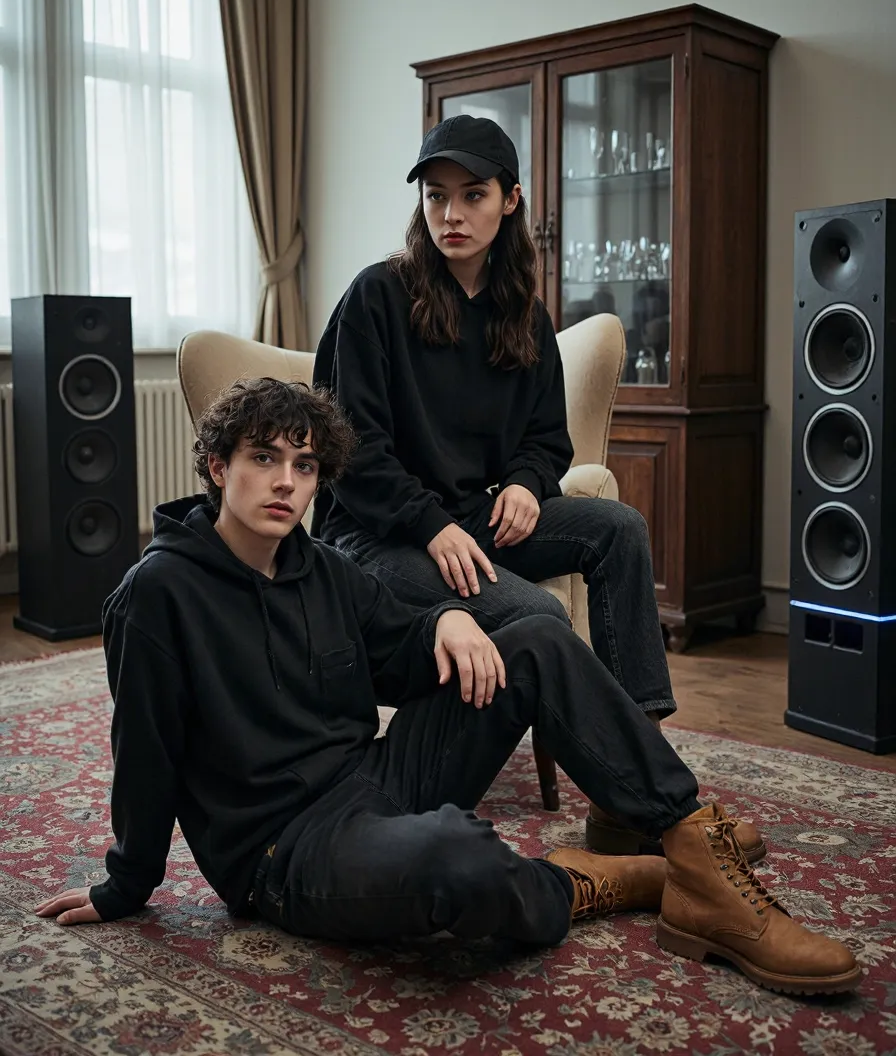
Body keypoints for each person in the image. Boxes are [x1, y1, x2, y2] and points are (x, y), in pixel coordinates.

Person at [36, 378, 860, 996]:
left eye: (304, 464)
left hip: (378, 778)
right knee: (459, 859)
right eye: (263, 459)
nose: (285, 481)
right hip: (284, 849)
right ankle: (593, 879)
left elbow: (401, 645)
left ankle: (687, 846)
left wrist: (446, 625)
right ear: (218, 467)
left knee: (535, 635)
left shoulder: (323, 568)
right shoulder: (156, 597)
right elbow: (144, 750)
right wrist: (126, 882)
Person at [311, 115, 747, 857]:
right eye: (437, 197)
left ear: (509, 200)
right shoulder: (376, 298)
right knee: (535, 613)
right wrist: (431, 526)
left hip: (469, 522)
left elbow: (549, 438)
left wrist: (525, 483)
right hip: (376, 535)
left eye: (472, 195)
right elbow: (349, 452)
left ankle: (632, 773)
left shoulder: (523, 316)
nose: (451, 214)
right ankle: (656, 806)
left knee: (619, 529)